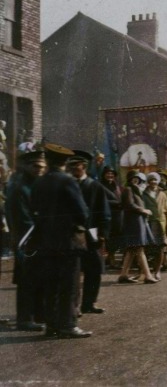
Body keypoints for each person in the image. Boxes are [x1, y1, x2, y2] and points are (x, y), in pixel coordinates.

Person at [29, 143, 92, 338]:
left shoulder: (39, 182)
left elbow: (33, 209)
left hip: (46, 241)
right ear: (65, 162)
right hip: (68, 241)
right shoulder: (68, 180)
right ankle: (68, 325)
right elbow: (82, 212)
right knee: (69, 285)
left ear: (48, 160)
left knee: (51, 285)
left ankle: (52, 325)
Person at [5, 151, 46, 331]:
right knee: (27, 281)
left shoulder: (34, 184)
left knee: (37, 278)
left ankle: (37, 315)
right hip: (26, 239)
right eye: (36, 166)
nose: (39, 170)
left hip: (35, 238)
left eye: (42, 167)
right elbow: (24, 219)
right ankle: (24, 319)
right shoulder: (20, 187)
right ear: (28, 166)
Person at [67, 150, 111, 315]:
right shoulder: (67, 184)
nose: (72, 169)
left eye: (75, 165)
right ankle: (74, 306)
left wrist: (102, 234)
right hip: (71, 234)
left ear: (84, 166)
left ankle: (89, 303)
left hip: (91, 232)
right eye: (70, 165)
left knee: (94, 268)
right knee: (73, 271)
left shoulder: (94, 186)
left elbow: (104, 212)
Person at [117, 170, 158, 284]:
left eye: (137, 178)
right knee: (139, 248)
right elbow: (130, 204)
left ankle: (123, 275)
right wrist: (144, 210)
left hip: (136, 221)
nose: (135, 180)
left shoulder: (133, 190)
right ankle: (148, 275)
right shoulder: (129, 189)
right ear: (129, 179)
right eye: (133, 178)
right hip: (134, 222)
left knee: (131, 249)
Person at [142, 172, 167, 281]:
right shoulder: (143, 194)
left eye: (155, 180)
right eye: (151, 180)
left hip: (160, 224)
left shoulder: (162, 194)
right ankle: (146, 272)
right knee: (147, 249)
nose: (153, 182)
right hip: (148, 224)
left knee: (160, 248)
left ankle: (157, 271)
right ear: (148, 182)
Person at [99, 166, 123, 270]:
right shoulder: (100, 186)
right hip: (106, 215)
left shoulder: (116, 186)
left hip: (117, 216)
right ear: (104, 175)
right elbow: (100, 201)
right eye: (108, 173)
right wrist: (117, 203)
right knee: (106, 238)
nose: (110, 175)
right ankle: (110, 260)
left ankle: (110, 257)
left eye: (112, 174)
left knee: (115, 237)